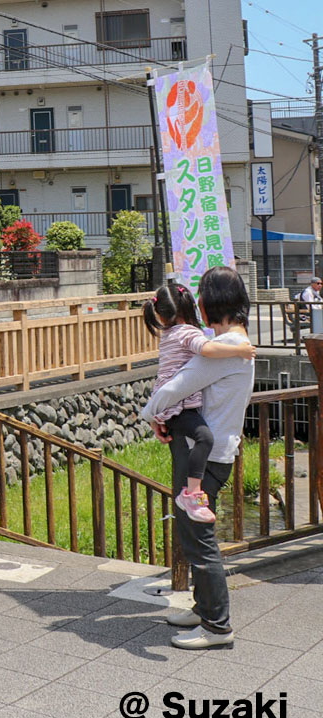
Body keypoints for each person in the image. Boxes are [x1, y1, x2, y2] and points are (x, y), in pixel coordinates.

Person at [141, 267, 254, 650]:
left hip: (200, 456)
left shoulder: (222, 351)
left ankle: (217, 626)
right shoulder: (236, 342)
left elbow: (169, 391)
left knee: (199, 538)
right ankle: (203, 607)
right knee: (192, 532)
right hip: (212, 450)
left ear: (210, 304)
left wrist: (153, 416)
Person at [141, 283, 255, 522]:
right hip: (179, 406)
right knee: (205, 438)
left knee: (202, 438)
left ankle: (191, 493)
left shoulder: (170, 333)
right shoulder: (188, 333)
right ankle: (192, 494)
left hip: (174, 407)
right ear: (192, 307)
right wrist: (238, 351)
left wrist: (153, 415)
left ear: (160, 314)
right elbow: (207, 349)